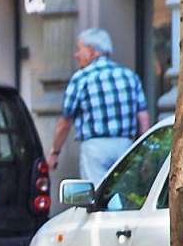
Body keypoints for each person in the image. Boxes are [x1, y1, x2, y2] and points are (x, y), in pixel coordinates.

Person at [47, 27, 150, 187]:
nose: (76, 55)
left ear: (91, 49)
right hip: (125, 146)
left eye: (78, 49)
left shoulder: (81, 78)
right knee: (124, 196)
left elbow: (65, 123)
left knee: (97, 197)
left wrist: (54, 152)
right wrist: (144, 151)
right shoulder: (129, 76)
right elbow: (143, 117)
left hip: (95, 148)